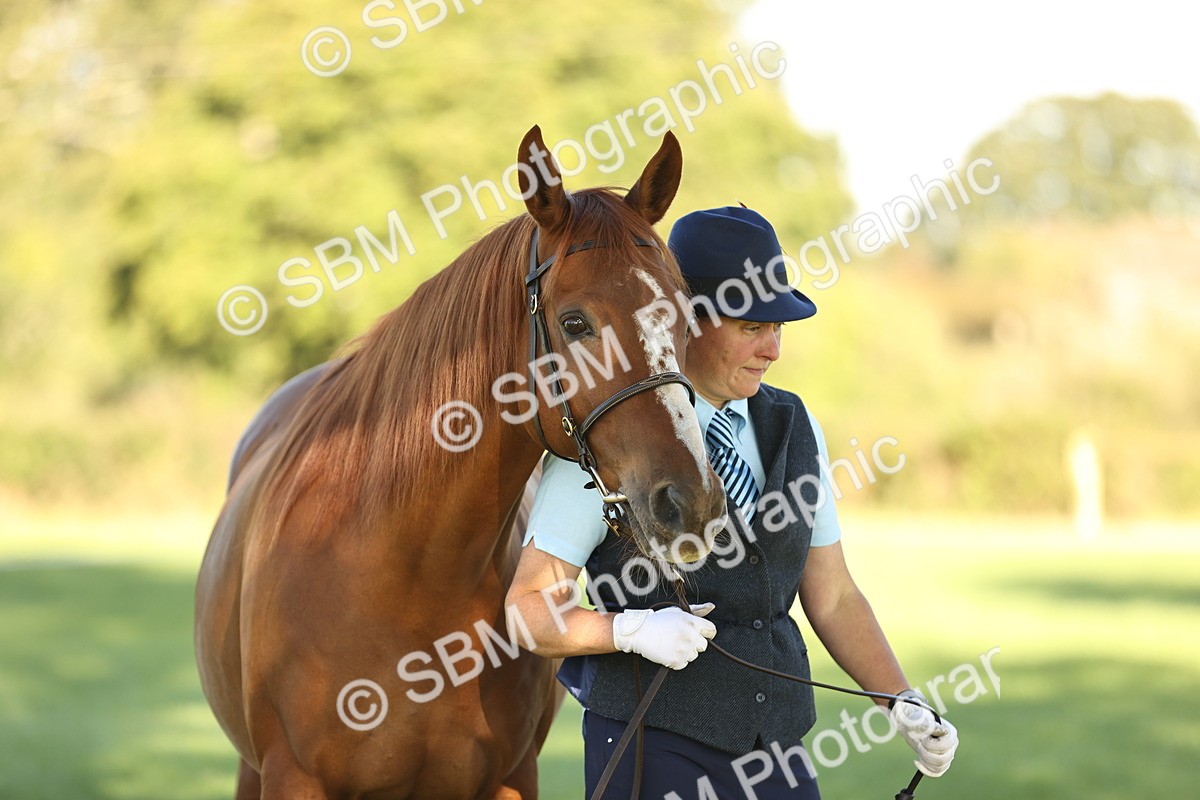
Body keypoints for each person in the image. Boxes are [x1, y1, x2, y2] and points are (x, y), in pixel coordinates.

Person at [506, 206, 958, 798]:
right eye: (752, 327)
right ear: (685, 321)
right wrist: (628, 629)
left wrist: (899, 697)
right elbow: (527, 611)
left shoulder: (796, 427)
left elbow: (835, 593)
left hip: (780, 747)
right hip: (652, 746)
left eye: (779, 328)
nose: (772, 349)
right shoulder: (608, 439)